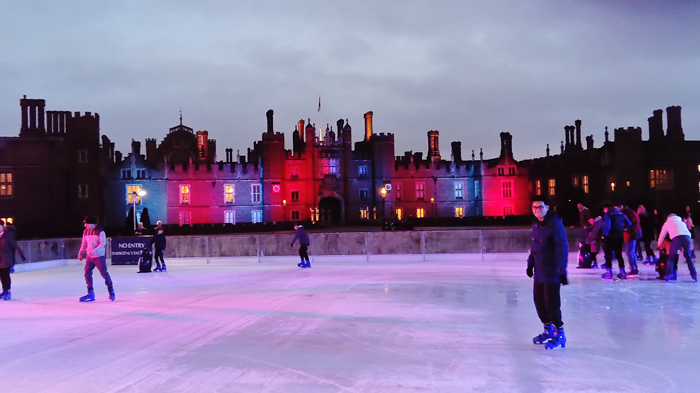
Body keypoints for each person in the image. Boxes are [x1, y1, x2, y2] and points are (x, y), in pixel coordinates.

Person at [527, 197, 569, 350]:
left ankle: (560, 332)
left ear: (547, 207)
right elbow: (534, 246)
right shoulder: (536, 224)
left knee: (552, 304)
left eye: (540, 207)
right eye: (534, 207)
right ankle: (548, 329)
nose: (538, 210)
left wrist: (562, 271)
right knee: (539, 303)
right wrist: (530, 263)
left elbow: (562, 248)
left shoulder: (555, 224)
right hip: (539, 271)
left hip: (552, 271)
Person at [78, 216, 115, 302]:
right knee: (87, 274)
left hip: (99, 257)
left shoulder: (100, 231)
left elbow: (103, 243)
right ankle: (90, 292)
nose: (85, 225)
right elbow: (84, 243)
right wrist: (80, 252)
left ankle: (111, 291)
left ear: (93, 223)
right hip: (89, 257)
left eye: (87, 223)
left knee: (104, 274)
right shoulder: (86, 232)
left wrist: (95, 251)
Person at [658, 212, 697, 282]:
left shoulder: (667, 223)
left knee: (671, 257)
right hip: (687, 237)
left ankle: (668, 275)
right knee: (688, 257)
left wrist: (659, 244)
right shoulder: (681, 222)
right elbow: (687, 231)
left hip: (676, 238)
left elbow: (662, 235)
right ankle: (694, 275)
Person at [601, 204, 631, 280]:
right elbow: (629, 223)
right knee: (619, 254)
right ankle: (623, 271)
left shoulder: (608, 214)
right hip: (620, 236)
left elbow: (607, 226)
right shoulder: (621, 214)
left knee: (608, 254)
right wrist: (623, 228)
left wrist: (605, 236)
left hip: (611, 236)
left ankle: (609, 272)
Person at [0, 222, 26, 301]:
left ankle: (8, 291)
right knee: (1, 276)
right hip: (0, 259)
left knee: (5, 275)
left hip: (7, 258)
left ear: (2, 227)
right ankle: (4, 291)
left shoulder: (8, 235)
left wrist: (22, 255)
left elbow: (15, 245)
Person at [620, 204, 642, 276]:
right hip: (629, 234)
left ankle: (633, 268)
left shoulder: (630, 212)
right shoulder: (625, 213)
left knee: (629, 252)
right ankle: (634, 267)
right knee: (631, 252)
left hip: (632, 234)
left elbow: (635, 222)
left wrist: (628, 228)